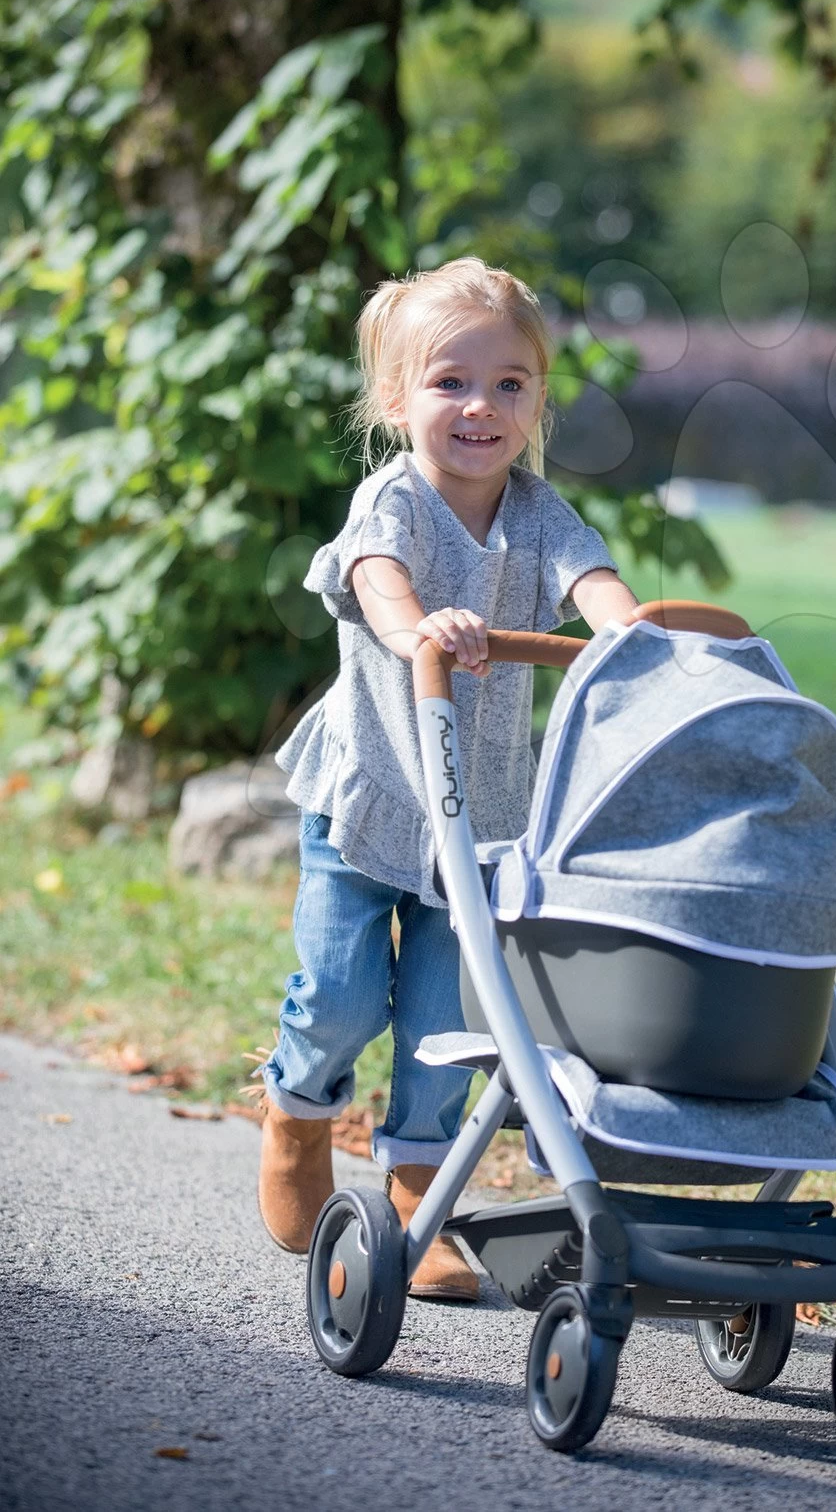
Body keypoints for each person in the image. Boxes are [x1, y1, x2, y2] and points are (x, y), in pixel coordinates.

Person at [254, 256, 640, 1299]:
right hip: (371, 797)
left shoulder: (540, 511)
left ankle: (419, 1196)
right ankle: (297, 1106)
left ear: (536, 400)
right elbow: (377, 581)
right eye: (449, 382)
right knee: (340, 994)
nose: (480, 406)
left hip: (476, 823)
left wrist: (631, 632)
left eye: (509, 383)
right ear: (396, 399)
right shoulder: (394, 500)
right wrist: (417, 621)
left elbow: (592, 579)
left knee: (439, 1024)